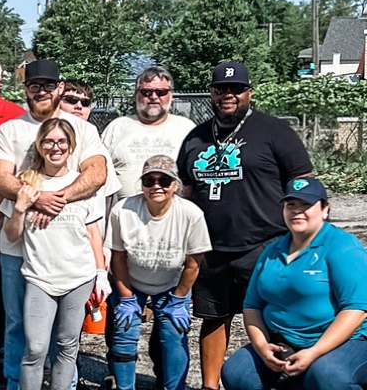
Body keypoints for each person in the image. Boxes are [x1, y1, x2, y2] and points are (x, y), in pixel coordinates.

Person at [174, 62, 313, 390]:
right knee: (213, 318)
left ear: (249, 92)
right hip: (212, 247)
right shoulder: (196, 136)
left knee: (276, 318)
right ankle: (210, 386)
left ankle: (282, 380)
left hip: (264, 244)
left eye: (236, 89)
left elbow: (303, 183)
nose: (228, 95)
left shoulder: (273, 130)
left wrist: (304, 239)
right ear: (211, 92)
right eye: (221, 89)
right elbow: (187, 193)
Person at [0, 59, 119, 390]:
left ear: (60, 88)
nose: (42, 91)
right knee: (21, 327)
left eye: (49, 85)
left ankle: (66, 384)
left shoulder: (83, 130)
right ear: (26, 90)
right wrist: (34, 198)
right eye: (35, 86)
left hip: (68, 251)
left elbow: (97, 173)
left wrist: (56, 197)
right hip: (18, 247)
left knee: (66, 336)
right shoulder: (11, 129)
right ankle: (17, 383)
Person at [221, 177, 367, 389]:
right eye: (291, 205)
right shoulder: (272, 250)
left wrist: (314, 352)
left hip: (346, 342)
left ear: (325, 210)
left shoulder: (343, 247)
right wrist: (262, 347)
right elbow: (253, 305)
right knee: (238, 373)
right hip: (285, 342)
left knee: (326, 375)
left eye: (306, 205)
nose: (297, 211)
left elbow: (357, 308)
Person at [0, 118, 108, 390]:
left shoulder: (82, 185)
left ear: (71, 147)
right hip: (39, 278)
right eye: (49, 141)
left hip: (78, 278)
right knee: (35, 348)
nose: (55, 147)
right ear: (40, 145)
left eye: (61, 142)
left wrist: (100, 274)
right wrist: (21, 207)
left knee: (67, 346)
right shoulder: (26, 183)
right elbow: (11, 235)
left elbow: (93, 234)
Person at [107, 155, 211, 390]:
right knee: (124, 334)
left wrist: (179, 298)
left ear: (175, 185)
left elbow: (194, 263)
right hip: (132, 281)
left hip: (172, 284)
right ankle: (124, 386)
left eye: (164, 180)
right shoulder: (122, 210)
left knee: (174, 336)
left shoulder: (191, 214)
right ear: (141, 184)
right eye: (149, 181)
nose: (156, 186)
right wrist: (125, 297)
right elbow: (118, 257)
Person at [101, 67, 196, 200]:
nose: (153, 97)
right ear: (136, 95)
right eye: (146, 92)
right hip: (124, 216)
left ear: (171, 95)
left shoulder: (187, 129)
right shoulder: (117, 127)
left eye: (161, 92)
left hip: (173, 217)